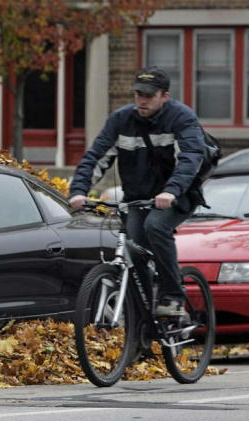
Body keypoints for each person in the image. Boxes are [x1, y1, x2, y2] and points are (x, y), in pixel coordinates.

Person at [68, 66, 206, 318]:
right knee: (133, 248)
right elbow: (95, 157)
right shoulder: (121, 120)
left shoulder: (181, 118)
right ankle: (141, 322)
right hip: (137, 198)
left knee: (155, 227)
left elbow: (190, 158)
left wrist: (172, 192)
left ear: (164, 96)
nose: (142, 100)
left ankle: (173, 297)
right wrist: (78, 191)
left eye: (149, 95)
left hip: (175, 195)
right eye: (138, 94)